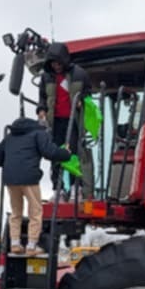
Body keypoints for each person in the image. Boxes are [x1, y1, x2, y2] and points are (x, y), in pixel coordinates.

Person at [0, 116, 71, 256]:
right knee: (35, 211)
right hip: (29, 178)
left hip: (10, 179)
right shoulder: (38, 133)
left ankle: (15, 244)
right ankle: (31, 246)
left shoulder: (10, 137)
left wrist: (5, 161)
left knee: (16, 212)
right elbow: (49, 152)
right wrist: (66, 154)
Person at [36, 41, 92, 193]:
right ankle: (57, 188)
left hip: (73, 120)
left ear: (64, 60)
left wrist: (82, 101)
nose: (56, 66)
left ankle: (75, 186)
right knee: (55, 153)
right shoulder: (46, 77)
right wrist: (41, 110)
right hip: (55, 121)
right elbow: (42, 97)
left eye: (58, 63)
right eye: (53, 63)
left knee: (73, 152)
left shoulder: (80, 74)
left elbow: (88, 92)